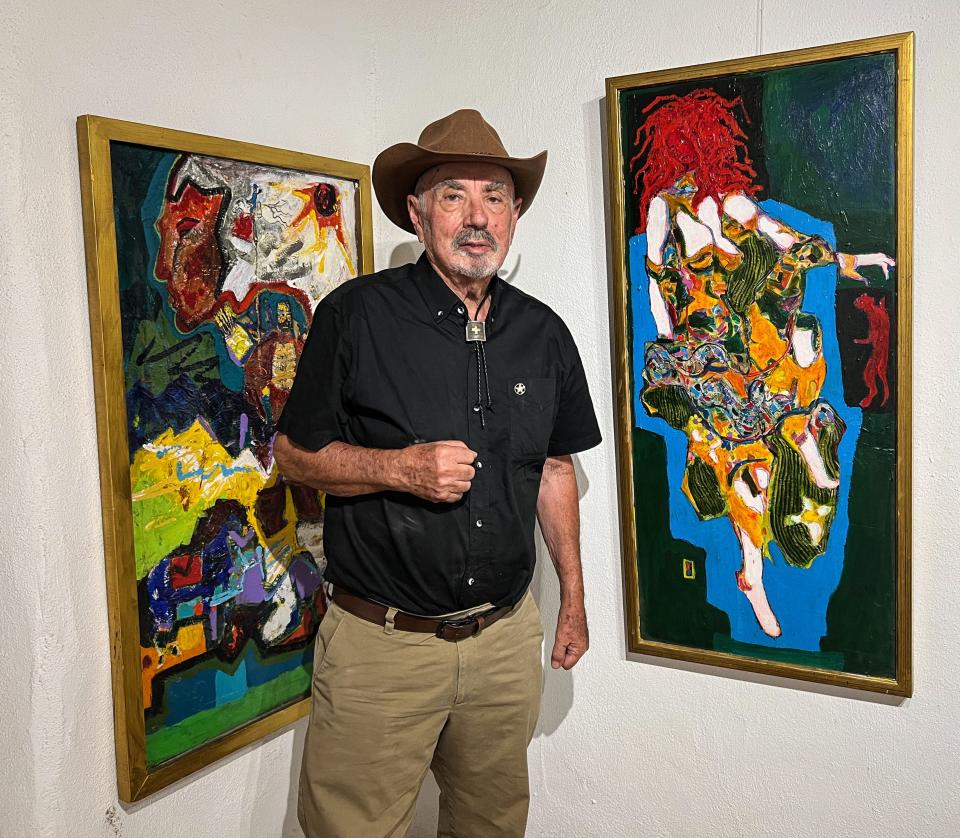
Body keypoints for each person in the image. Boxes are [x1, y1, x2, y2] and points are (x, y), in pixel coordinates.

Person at [273, 109, 602, 837]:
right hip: (380, 648)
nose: (477, 216)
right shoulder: (355, 317)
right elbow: (293, 456)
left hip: (504, 640)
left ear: (515, 215)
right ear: (420, 216)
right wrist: (401, 469)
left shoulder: (544, 333)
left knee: (491, 826)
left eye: (495, 196)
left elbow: (553, 467)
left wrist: (573, 599)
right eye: (454, 195)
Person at [631, 89, 893, 637]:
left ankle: (791, 480)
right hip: (706, 351)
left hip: (751, 337)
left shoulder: (729, 201)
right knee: (740, 456)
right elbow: (657, 285)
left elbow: (784, 240)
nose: (695, 159)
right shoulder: (665, 208)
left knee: (795, 375)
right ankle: (752, 569)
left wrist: (848, 261)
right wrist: (671, 351)